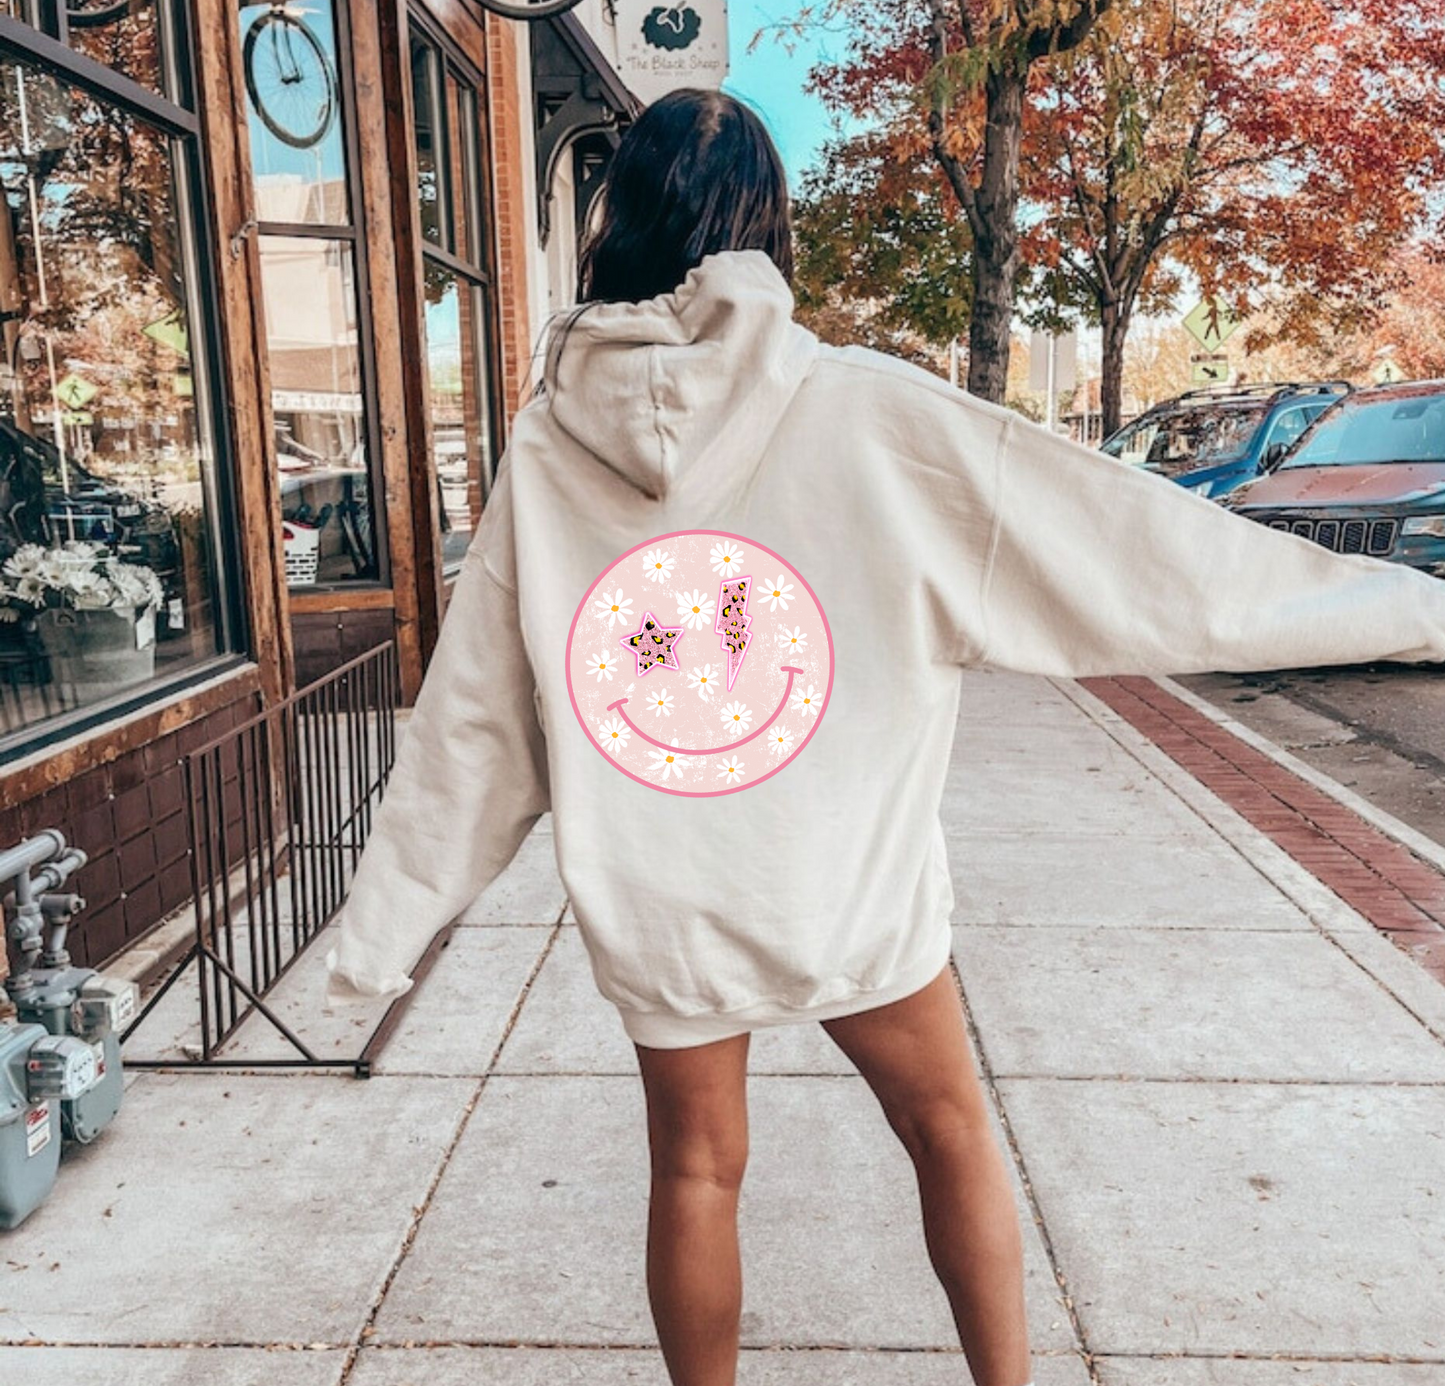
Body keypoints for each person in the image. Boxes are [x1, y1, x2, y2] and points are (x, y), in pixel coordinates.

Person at [324, 88, 1445, 1386]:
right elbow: (1129, 550)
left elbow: (474, 723)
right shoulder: (873, 412)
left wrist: (376, 948)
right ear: (768, 228)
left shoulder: (549, 446)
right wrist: (1407, 608)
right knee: (950, 1127)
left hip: (669, 892)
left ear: (613, 226)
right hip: (846, 879)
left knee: (694, 1167)